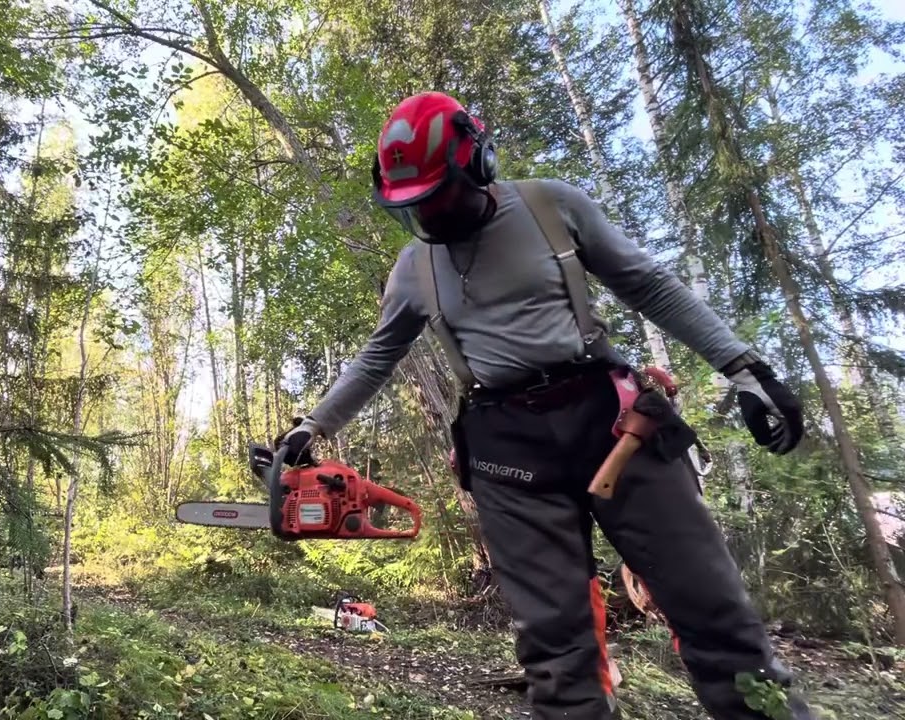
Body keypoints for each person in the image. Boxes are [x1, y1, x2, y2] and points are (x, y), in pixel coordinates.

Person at [273, 91, 813, 719]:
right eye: (414, 205)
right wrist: (313, 426)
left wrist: (743, 367)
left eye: (439, 196)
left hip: (614, 424)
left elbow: (649, 284)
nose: (431, 216)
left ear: (478, 164)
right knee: (556, 651)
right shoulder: (413, 268)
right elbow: (377, 357)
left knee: (713, 612)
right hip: (505, 448)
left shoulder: (551, 206)